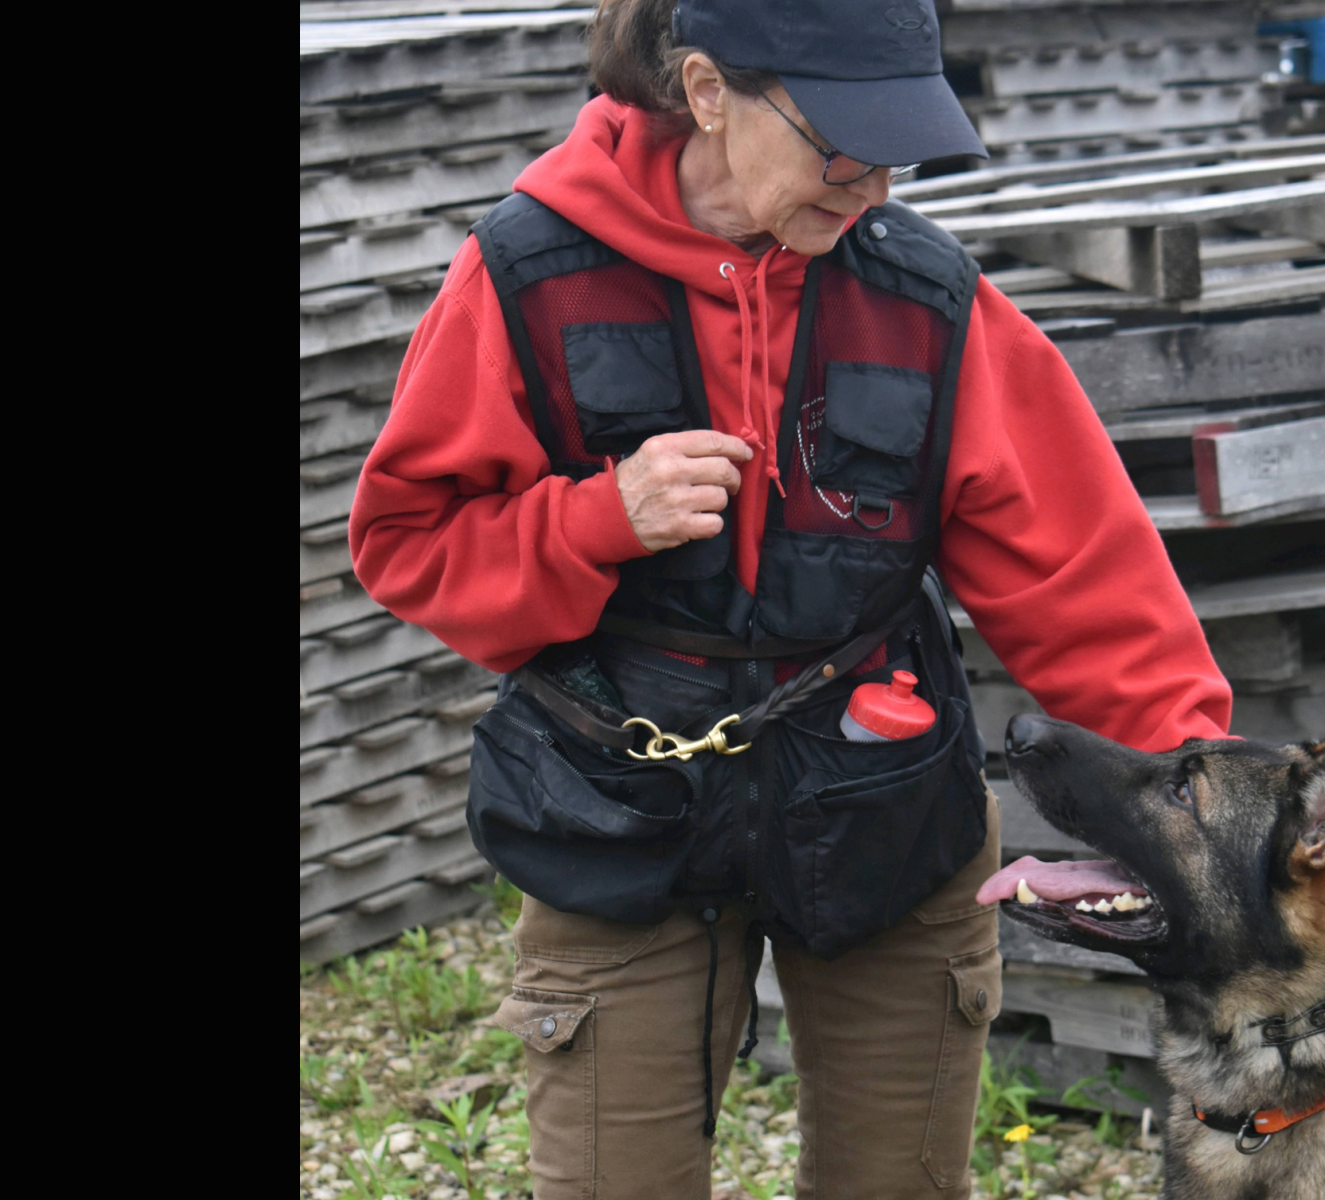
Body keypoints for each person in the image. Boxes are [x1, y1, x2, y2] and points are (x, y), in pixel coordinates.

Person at [349, 1, 1232, 1196]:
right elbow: (411, 544)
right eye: (841, 144)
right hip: (616, 813)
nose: (870, 184)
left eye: (897, 148)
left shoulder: (930, 299)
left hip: (885, 807)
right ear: (709, 89)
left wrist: (1221, 812)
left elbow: (1084, 577)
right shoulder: (523, 274)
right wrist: (598, 516)